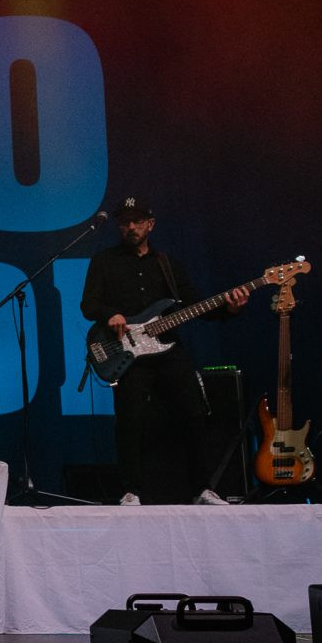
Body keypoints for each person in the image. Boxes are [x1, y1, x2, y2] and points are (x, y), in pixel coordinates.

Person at [80, 194, 248, 506]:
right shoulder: (104, 261)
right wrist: (110, 314)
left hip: (168, 349)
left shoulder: (167, 264)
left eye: (137, 221)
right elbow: (88, 304)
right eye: (125, 222)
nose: (131, 227)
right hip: (128, 354)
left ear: (151, 224)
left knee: (194, 413)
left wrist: (230, 308)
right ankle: (131, 490)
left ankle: (202, 489)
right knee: (130, 419)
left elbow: (195, 305)